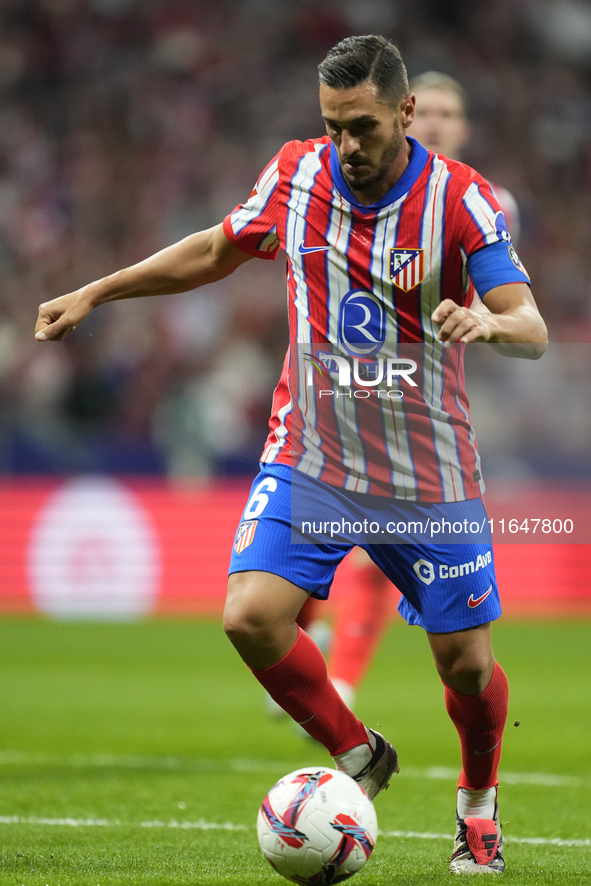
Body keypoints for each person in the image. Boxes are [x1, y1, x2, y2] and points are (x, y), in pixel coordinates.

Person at [34, 35, 547, 874]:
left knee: (466, 666)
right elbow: (210, 250)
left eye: (365, 126)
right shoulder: (297, 174)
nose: (348, 144)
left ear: (405, 113)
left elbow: (530, 325)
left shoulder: (462, 201)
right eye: (334, 124)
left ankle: (478, 806)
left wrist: (489, 322)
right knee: (248, 617)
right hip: (313, 459)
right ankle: (359, 754)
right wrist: (98, 289)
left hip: (429, 475)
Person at [327, 70, 523, 713]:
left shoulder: (483, 201)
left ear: (463, 128)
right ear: (409, 116)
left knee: (381, 557)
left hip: (435, 402)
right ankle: (335, 674)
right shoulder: (363, 187)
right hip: (354, 390)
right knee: (346, 544)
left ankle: (337, 669)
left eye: (449, 113)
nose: (436, 122)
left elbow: (508, 309)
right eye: (428, 110)